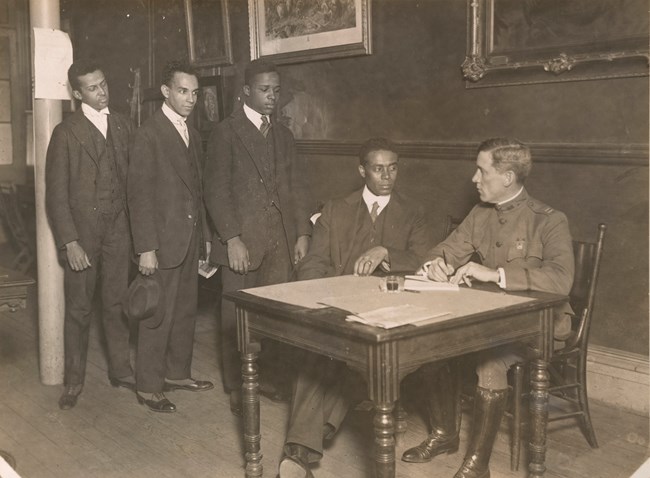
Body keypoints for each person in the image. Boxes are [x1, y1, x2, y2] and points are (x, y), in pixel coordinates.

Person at [402, 138, 574, 478]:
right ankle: (444, 434)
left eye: (482, 171)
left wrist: (495, 274)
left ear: (507, 177)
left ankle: (477, 464)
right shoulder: (480, 214)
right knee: (431, 348)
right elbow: (445, 249)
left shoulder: (549, 220)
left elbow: (560, 280)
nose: (474, 179)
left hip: (537, 327)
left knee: (490, 363)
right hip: (488, 322)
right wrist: (435, 263)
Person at [278, 137, 434, 478]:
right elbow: (315, 261)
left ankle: (301, 450)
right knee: (317, 360)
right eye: (378, 169)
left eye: (393, 168)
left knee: (352, 364)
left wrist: (386, 252)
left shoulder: (413, 212)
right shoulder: (335, 208)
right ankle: (299, 454)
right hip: (337, 307)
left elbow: (424, 261)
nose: (387, 176)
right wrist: (316, 297)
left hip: (389, 313)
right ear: (362, 170)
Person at [203, 59, 313, 415]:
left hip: (279, 241)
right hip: (242, 242)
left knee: (274, 314)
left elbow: (296, 188)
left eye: (276, 91)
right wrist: (231, 238)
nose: (272, 97)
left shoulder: (283, 135)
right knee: (236, 314)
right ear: (246, 91)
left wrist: (301, 233)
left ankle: (266, 377)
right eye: (265, 90)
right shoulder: (225, 132)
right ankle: (238, 385)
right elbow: (216, 191)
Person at [46, 59, 135, 410]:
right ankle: (73, 381)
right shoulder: (65, 133)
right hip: (82, 238)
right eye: (93, 88)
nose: (102, 92)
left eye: (104, 83)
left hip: (118, 232)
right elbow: (55, 195)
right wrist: (70, 243)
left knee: (116, 303)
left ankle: (120, 370)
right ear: (77, 92)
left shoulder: (125, 126)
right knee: (79, 310)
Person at [127, 60, 213, 413]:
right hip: (161, 243)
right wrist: (146, 248)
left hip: (189, 238)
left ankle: (177, 373)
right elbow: (139, 194)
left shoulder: (190, 131)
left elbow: (197, 189)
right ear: (165, 91)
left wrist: (205, 236)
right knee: (157, 314)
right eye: (182, 91)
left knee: (184, 310)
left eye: (194, 93)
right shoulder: (149, 133)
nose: (190, 99)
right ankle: (148, 386)